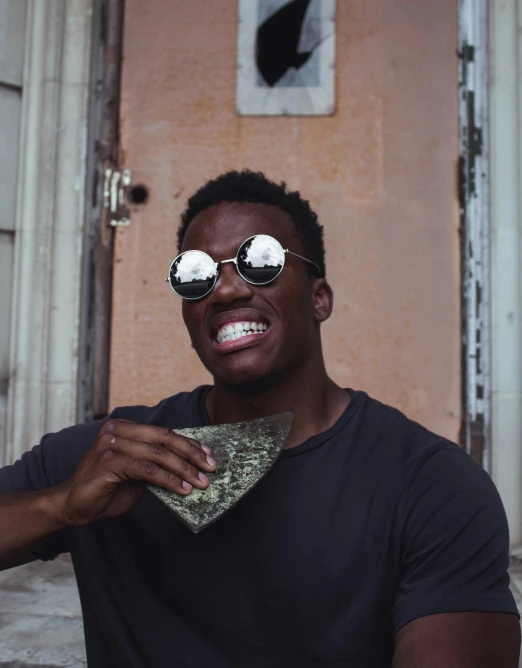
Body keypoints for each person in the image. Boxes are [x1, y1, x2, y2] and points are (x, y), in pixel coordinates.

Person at [0, 170, 519, 668]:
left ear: (320, 298)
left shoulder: (430, 487)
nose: (225, 291)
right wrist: (60, 506)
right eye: (197, 274)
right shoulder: (109, 460)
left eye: (261, 261)